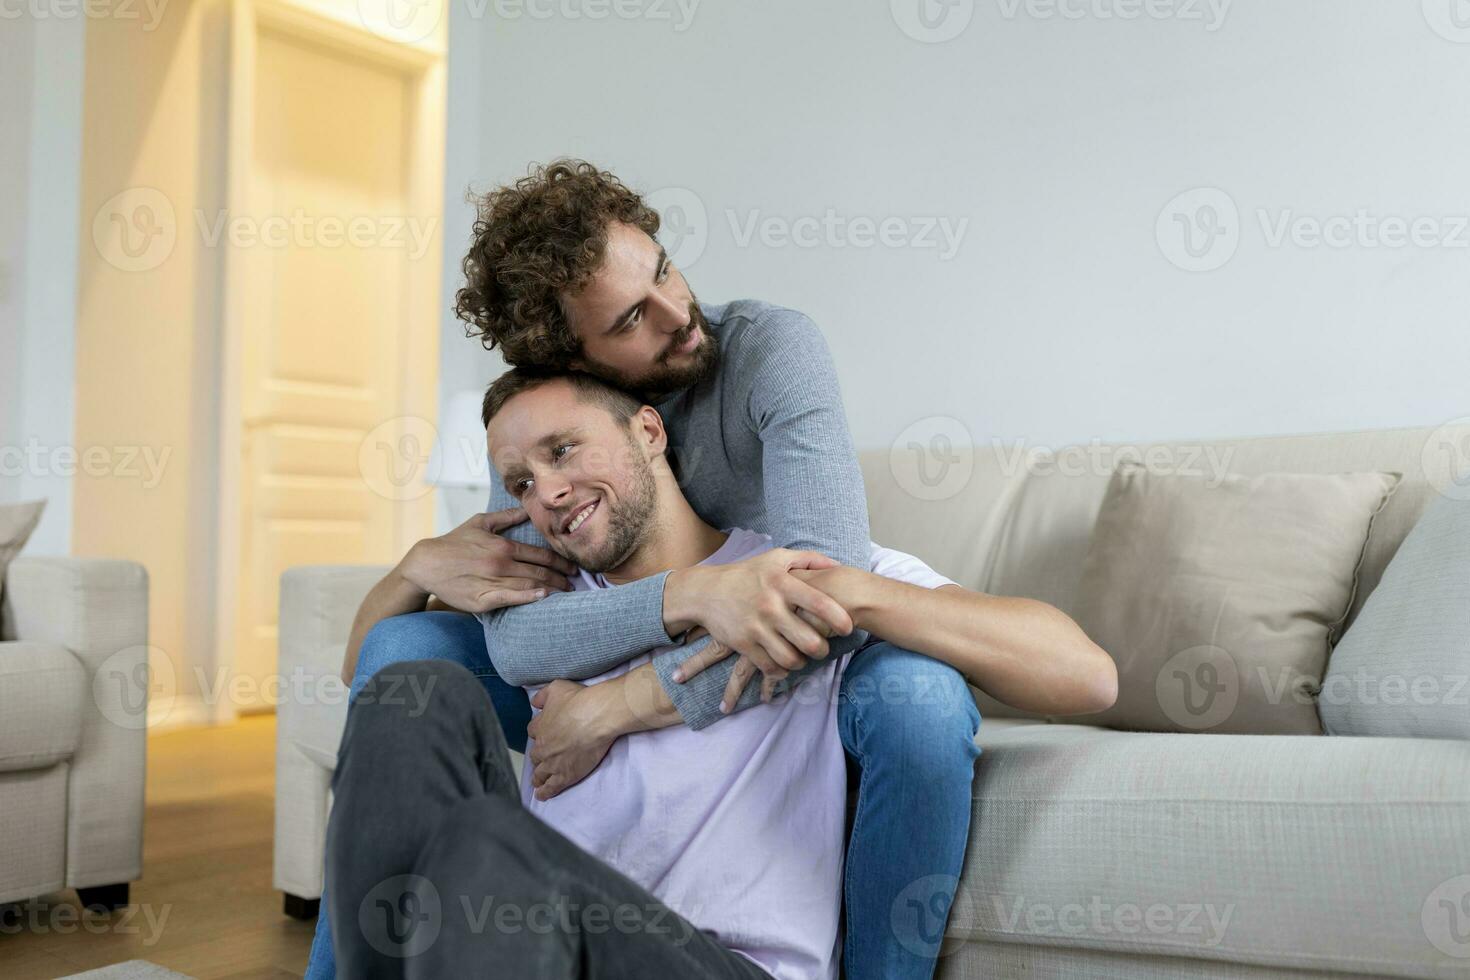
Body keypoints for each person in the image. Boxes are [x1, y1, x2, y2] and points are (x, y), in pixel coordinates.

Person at [306, 158, 1053, 980]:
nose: (680, 313)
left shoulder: (774, 419)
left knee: (917, 695)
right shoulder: (548, 441)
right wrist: (688, 594)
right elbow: (501, 649)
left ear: (650, 434)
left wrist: (619, 705)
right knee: (413, 687)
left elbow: (828, 591)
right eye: (631, 318)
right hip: (608, 844)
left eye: (664, 268)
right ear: (574, 362)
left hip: (761, 731)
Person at [324, 369, 1116, 978]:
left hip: (721, 964)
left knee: (486, 844)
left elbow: (1086, 676)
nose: (547, 495)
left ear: (648, 431)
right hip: (538, 944)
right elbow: (372, 687)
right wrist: (414, 567)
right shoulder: (545, 608)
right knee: (408, 696)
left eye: (562, 450)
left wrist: (845, 590)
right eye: (522, 482)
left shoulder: (789, 569)